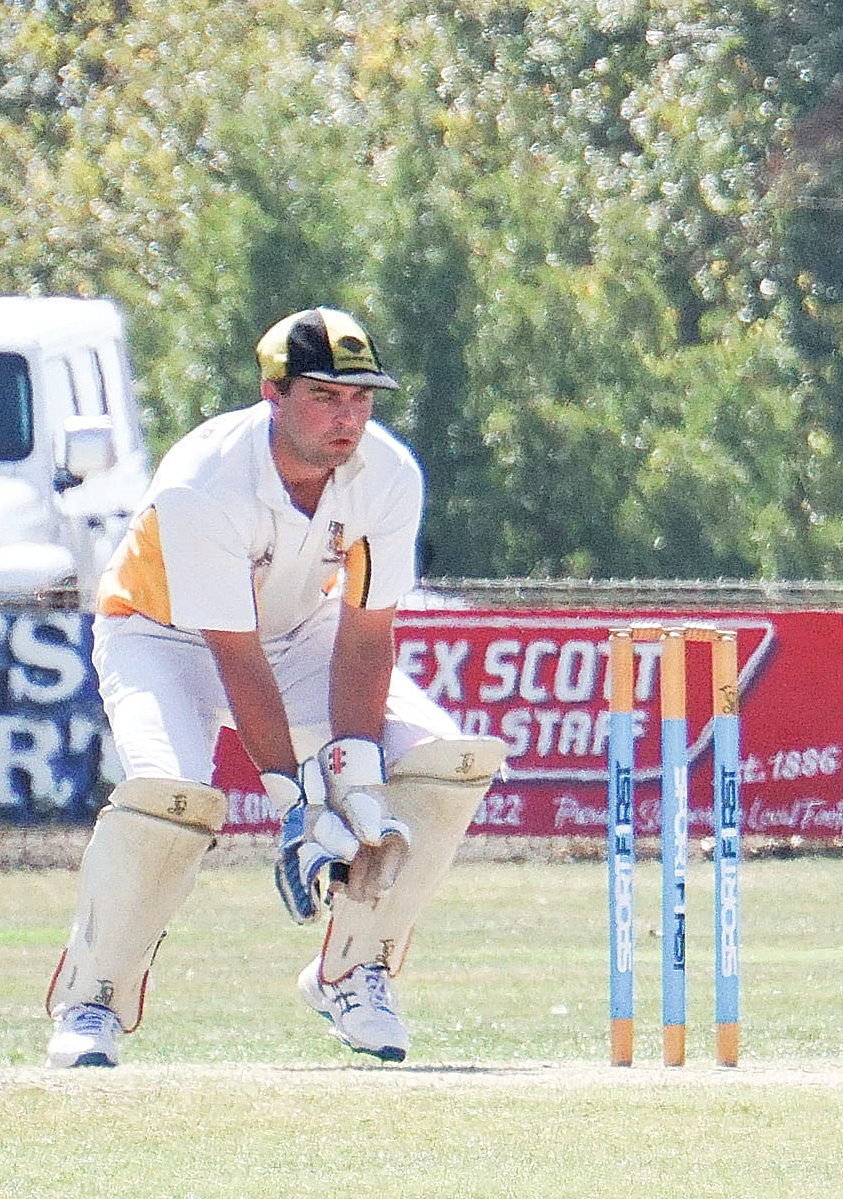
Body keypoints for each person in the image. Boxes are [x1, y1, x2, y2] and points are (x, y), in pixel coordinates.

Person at [45, 306, 507, 1068]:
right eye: (324, 396)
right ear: (273, 392)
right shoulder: (206, 481)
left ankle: (354, 968)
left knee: (448, 762)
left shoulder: (386, 475)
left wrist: (354, 778)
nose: (346, 418)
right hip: (160, 635)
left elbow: (364, 633)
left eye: (360, 399)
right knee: (170, 795)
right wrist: (295, 803)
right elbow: (234, 655)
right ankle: (92, 996)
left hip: (300, 632)